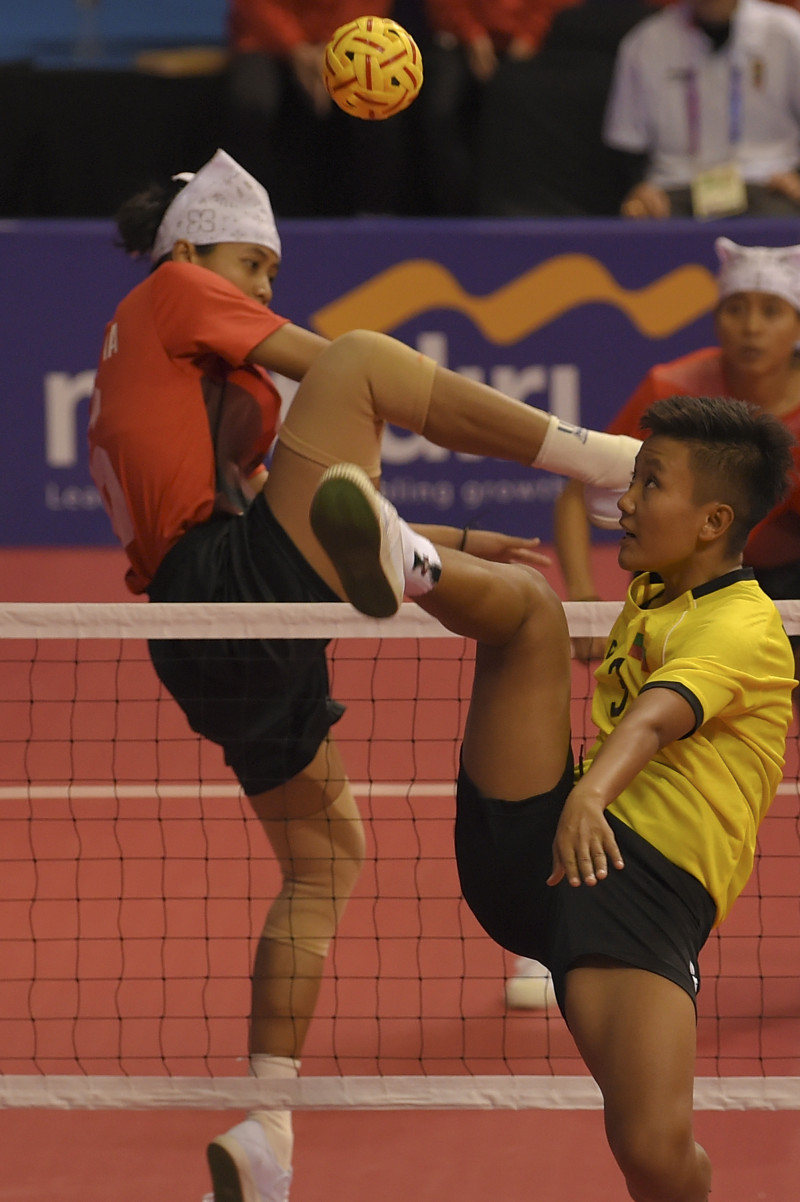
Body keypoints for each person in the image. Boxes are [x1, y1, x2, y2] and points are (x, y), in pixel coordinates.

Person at [87, 147, 640, 1202]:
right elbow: (324, 367)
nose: (261, 289)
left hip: (199, 628)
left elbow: (280, 501)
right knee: (361, 364)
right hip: (230, 585)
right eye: (255, 266)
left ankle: (268, 1126)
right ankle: (601, 463)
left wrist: (465, 531)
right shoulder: (174, 288)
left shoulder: (156, 372)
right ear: (197, 249)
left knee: (324, 856)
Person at [309, 393, 796, 1202]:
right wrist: (582, 802)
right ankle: (407, 558)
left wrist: (591, 795)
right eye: (633, 480)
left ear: (714, 522)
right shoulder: (657, 589)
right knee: (530, 610)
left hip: (639, 890)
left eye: (650, 485)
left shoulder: (745, 624)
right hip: (546, 849)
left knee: (655, 1154)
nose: (627, 502)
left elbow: (657, 716)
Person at [555, 236, 800, 669]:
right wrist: (584, 602)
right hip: (676, 579)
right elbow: (578, 493)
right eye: (736, 308)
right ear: (716, 319)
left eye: (772, 311)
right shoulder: (673, 389)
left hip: (786, 585)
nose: (752, 327)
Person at [603, 0, 800, 219]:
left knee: (781, 222)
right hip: (676, 186)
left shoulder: (787, 31)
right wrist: (639, 187)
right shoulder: (646, 41)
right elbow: (628, 142)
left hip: (766, 181)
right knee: (641, 222)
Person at [222, 1, 418, 216]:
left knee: (379, 101)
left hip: (352, 45)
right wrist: (295, 47)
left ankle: (375, 219)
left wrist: (334, 47)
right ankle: (254, 217)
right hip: (266, 42)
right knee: (251, 103)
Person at [418, 0, 580, 214]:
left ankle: (529, 211)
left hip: (537, 41)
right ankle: (454, 214)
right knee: (440, 107)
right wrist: (472, 35)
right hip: (461, 41)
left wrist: (531, 35)